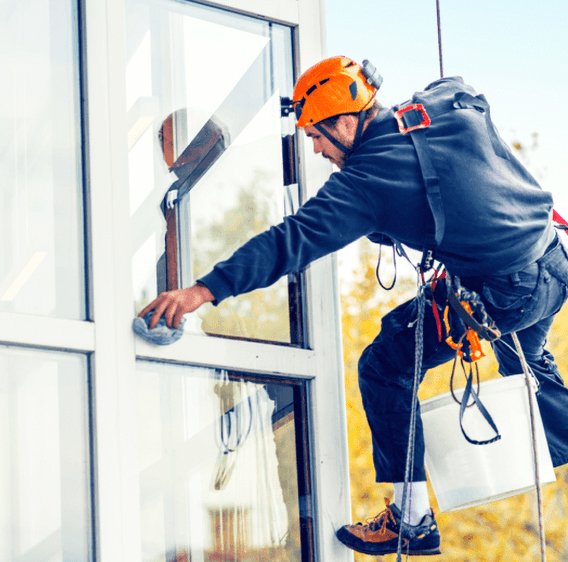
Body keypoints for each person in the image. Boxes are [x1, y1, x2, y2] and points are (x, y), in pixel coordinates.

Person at [138, 56, 568, 556]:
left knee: (385, 365)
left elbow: (291, 240)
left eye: (317, 135)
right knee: (528, 368)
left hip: (505, 291)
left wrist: (202, 291)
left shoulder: (366, 181)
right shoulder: (436, 107)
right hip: (554, 263)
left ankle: (411, 521)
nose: (316, 149)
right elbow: (462, 91)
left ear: (345, 121)